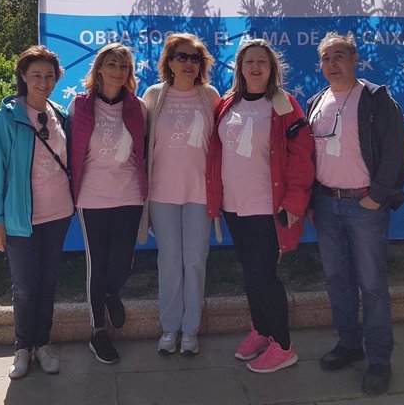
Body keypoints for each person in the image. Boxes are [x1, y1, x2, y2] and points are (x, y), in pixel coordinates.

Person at [306, 32, 404, 396]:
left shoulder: (376, 98)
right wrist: (311, 201)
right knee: (337, 279)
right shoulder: (316, 102)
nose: (332, 65)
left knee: (373, 285)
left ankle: (379, 360)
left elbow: (396, 151)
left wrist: (377, 197)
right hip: (327, 204)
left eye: (339, 57)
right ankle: (349, 344)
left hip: (364, 206)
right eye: (326, 59)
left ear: (354, 59)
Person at [206, 38, 315, 373]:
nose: (255, 68)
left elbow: (301, 156)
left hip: (267, 208)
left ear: (272, 68)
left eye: (262, 62)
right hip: (234, 207)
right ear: (239, 67)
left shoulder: (283, 104)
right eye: (248, 62)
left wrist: (294, 202)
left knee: (264, 276)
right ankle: (262, 330)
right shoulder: (227, 103)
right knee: (251, 275)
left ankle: (283, 345)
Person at [0, 45, 74, 380]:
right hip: (21, 218)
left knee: (48, 282)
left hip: (59, 213)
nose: (43, 81)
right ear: (23, 77)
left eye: (49, 75)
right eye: (36, 75)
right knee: (24, 286)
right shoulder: (7, 117)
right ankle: (22, 347)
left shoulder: (60, 113)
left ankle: (43, 343)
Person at [141, 33, 221, 356]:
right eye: (182, 57)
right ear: (169, 62)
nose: (188, 64)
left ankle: (190, 330)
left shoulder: (210, 96)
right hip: (162, 194)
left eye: (195, 58)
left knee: (196, 261)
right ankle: (170, 327)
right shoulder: (153, 96)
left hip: (199, 194)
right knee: (170, 261)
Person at [68, 43, 148, 364]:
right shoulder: (80, 106)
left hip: (129, 194)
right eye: (112, 64)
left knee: (123, 262)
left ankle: (112, 292)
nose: (118, 71)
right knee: (96, 264)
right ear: (99, 68)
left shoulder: (138, 107)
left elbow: (142, 151)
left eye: (124, 67)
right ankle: (97, 331)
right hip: (93, 196)